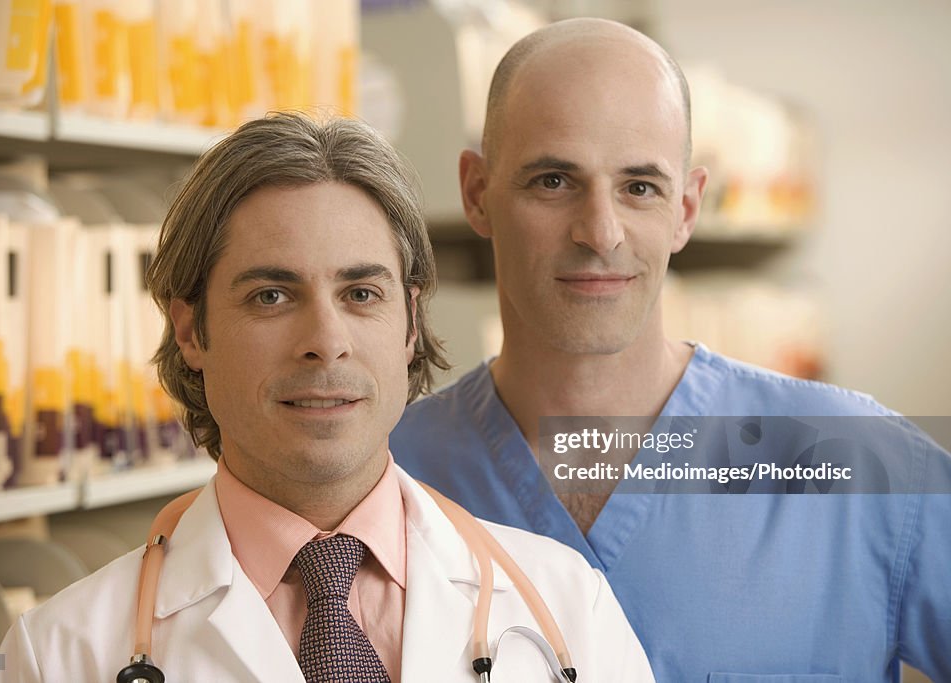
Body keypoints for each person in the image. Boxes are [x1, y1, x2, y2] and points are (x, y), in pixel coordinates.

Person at [0, 112, 654, 682]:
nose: (325, 341)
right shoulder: (61, 652)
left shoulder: (567, 606)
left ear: (410, 325)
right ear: (191, 330)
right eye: (272, 295)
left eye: (361, 294)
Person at [391, 18, 951, 682]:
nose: (600, 231)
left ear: (686, 208)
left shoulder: (858, 463)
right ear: (477, 193)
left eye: (639, 187)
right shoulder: (390, 472)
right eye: (553, 181)